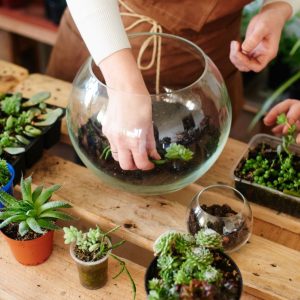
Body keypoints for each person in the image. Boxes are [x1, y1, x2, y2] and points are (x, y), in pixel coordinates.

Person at [47, 0, 300, 171]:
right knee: (96, 157)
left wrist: (277, 9)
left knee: (194, 161)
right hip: (109, 39)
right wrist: (123, 87)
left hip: (211, 57)